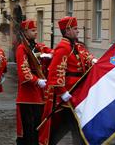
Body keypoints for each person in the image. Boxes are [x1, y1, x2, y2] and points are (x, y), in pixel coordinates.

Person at [39, 16, 97, 145]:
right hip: (69, 94)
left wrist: (92, 60)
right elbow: (55, 72)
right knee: (75, 127)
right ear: (68, 30)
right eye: (75, 29)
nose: (78, 31)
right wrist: (62, 92)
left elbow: (85, 55)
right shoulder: (63, 48)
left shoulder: (75, 45)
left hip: (77, 93)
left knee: (65, 127)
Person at [16, 19, 53, 145]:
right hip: (27, 94)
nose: (36, 32)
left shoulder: (38, 46)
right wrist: (37, 81)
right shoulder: (21, 48)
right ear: (25, 32)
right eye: (33, 30)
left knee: (38, 125)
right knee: (28, 128)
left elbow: (50, 51)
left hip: (39, 93)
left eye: (36, 30)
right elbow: (23, 70)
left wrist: (50, 56)